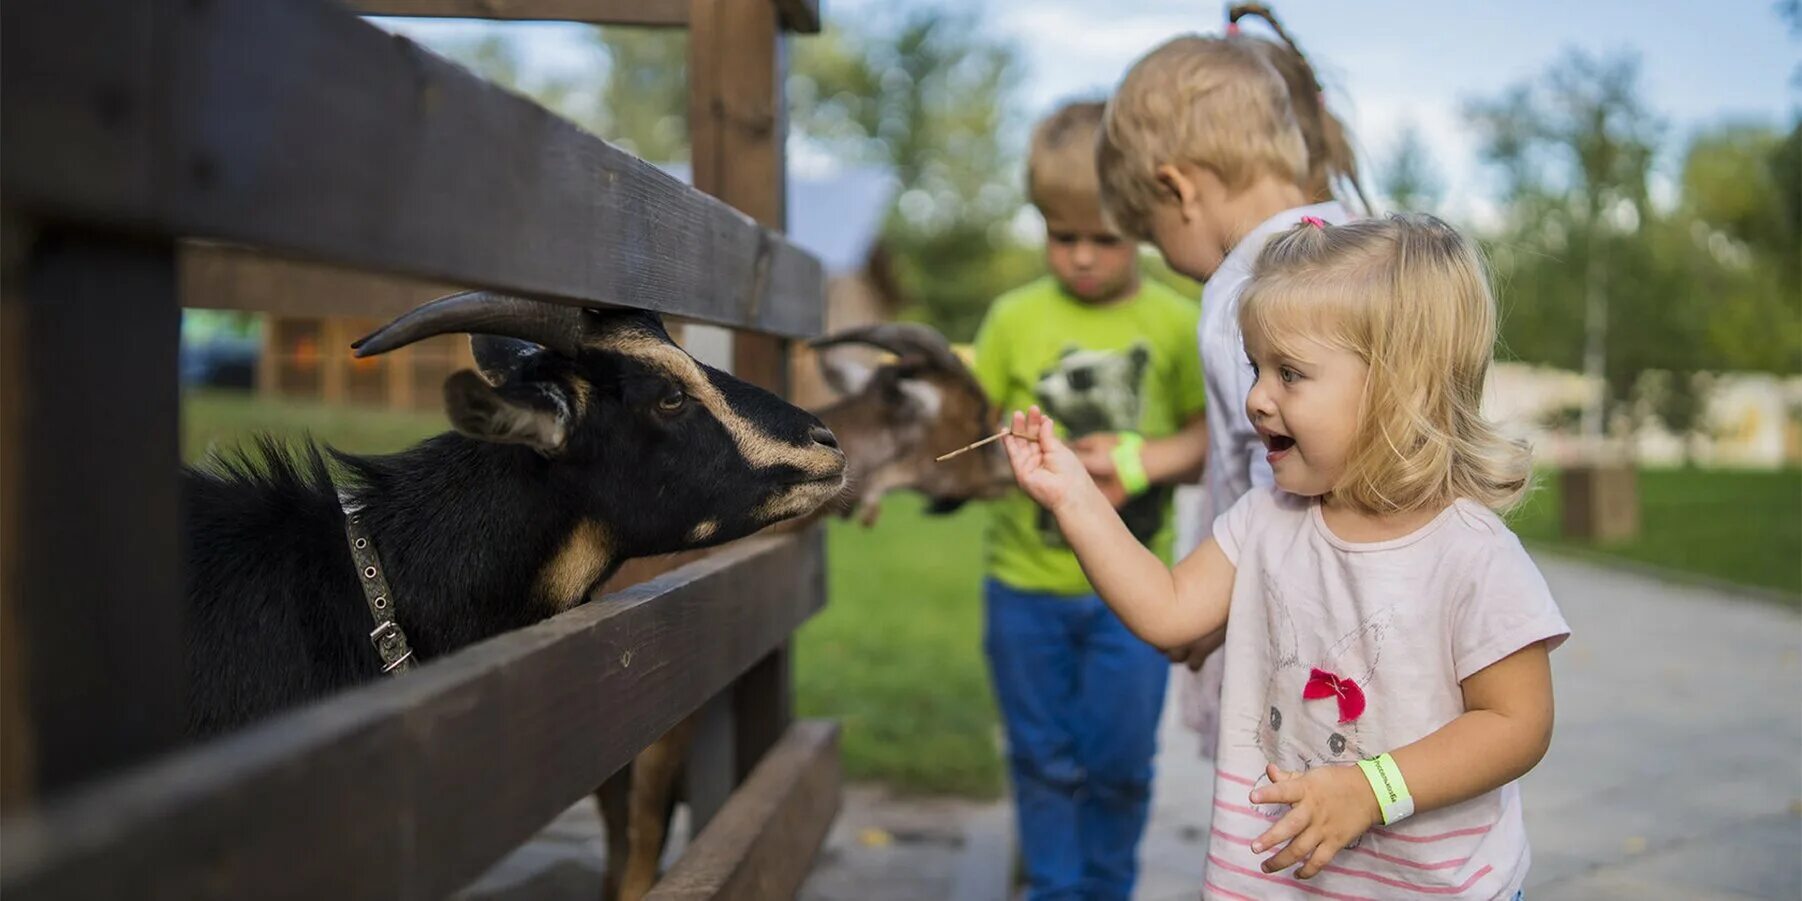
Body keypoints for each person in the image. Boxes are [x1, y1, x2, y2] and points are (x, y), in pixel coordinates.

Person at [1002, 214, 1569, 899]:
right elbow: (1169, 610)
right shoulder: (1269, 517)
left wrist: (1374, 787)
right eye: (1255, 367)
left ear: (1399, 389)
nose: (1255, 398)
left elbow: (1517, 723)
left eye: (1290, 373)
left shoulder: (1470, 553)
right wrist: (1075, 499)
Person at [1094, 4, 1369, 758]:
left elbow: (1271, 492)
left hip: (1277, 619)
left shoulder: (1241, 292)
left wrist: (1212, 612)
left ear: (1179, 188)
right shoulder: (1360, 244)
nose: (1165, 255)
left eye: (1152, 235)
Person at [970, 99, 1208, 901]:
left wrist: (1138, 461)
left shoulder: (1178, 324)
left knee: (1117, 762)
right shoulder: (1012, 316)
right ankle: (1052, 888)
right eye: (1059, 235)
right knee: (1038, 757)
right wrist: (1017, 459)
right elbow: (978, 431)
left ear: (1142, 223)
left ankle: (1107, 887)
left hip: (1133, 599)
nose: (1080, 257)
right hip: (1024, 590)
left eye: (1103, 238)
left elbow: (1209, 438)